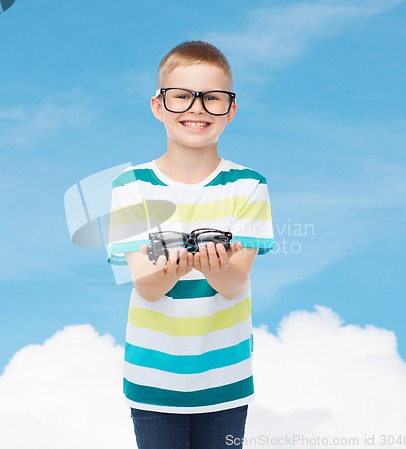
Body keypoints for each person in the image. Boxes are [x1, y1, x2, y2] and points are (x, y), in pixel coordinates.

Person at [107, 41, 274, 449]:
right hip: (153, 379)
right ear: (158, 106)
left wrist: (216, 269)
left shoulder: (248, 185)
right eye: (181, 96)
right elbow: (145, 286)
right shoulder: (130, 186)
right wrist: (174, 269)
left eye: (212, 98)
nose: (196, 108)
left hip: (226, 378)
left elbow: (234, 284)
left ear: (230, 110)